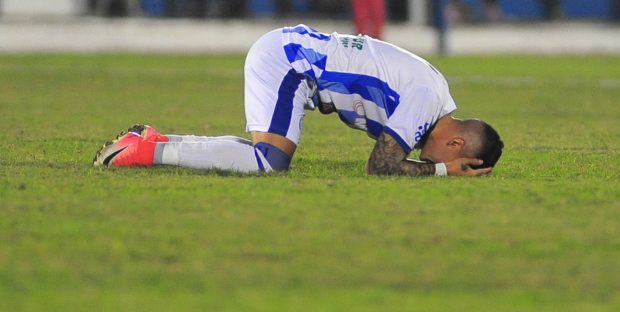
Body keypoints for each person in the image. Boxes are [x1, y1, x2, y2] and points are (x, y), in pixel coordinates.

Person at [94, 24, 503, 177]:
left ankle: (151, 140)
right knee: (267, 163)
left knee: (267, 156)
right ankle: (147, 151)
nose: (429, 160)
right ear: (456, 146)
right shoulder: (425, 100)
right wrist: (442, 173)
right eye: (443, 158)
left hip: (294, 58)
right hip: (291, 63)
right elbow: (380, 167)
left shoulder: (434, 93)